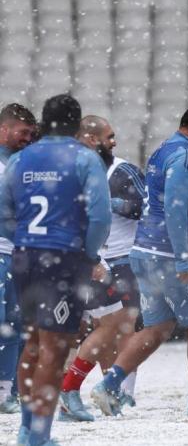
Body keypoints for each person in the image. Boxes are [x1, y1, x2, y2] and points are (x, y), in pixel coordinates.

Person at [91, 101, 188, 416]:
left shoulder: (163, 150)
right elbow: (175, 209)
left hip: (144, 252)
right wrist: (183, 259)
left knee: (156, 328)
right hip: (172, 255)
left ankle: (109, 384)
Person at [0, 94, 111, 445]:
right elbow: (100, 216)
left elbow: (3, 211)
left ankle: (26, 428)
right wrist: (88, 253)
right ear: (75, 125)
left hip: (25, 257)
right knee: (54, 347)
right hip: (62, 259)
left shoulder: (20, 160)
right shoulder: (84, 158)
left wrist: (23, 237)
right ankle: (37, 436)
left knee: (32, 343)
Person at [59, 115, 146, 421]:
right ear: (91, 140)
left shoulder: (121, 170)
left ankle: (112, 390)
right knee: (116, 327)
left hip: (112, 259)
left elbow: (143, 207)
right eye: (109, 137)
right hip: (94, 262)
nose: (114, 142)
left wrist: (109, 202)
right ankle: (72, 391)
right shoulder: (77, 170)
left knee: (111, 327)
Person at [0, 104, 36, 414]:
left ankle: (7, 391)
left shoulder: (25, 165)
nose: (27, 138)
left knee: (17, 325)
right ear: (3, 130)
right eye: (22, 132)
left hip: (19, 255)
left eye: (31, 134)